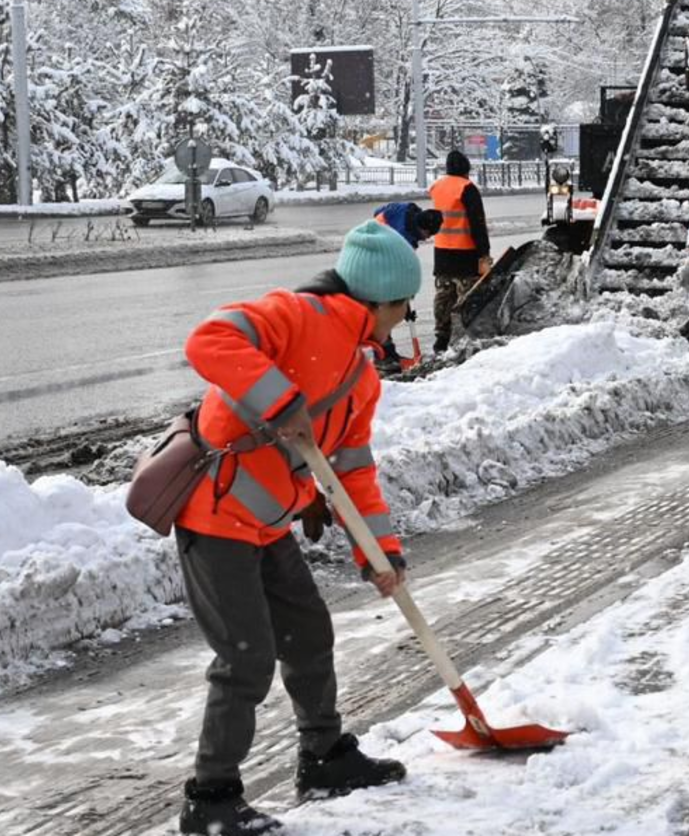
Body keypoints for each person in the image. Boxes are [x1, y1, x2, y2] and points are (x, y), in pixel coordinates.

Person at [175, 221, 418, 835]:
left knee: (308, 634)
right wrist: (280, 400)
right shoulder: (295, 316)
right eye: (404, 306)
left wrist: (380, 551)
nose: (405, 318)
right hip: (215, 512)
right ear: (380, 301)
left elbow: (353, 470)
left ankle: (324, 758)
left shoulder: (361, 377)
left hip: (266, 524)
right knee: (246, 657)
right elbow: (209, 340)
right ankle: (210, 799)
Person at [428, 150, 491, 353]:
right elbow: (477, 224)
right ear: (466, 169)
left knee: (444, 296)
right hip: (465, 254)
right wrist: (484, 253)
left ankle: (441, 338)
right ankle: (464, 339)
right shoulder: (467, 188)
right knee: (467, 298)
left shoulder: (436, 187)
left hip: (441, 253)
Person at [371, 200, 443, 249]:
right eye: (429, 234)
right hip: (378, 243)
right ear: (423, 229)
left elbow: (379, 211)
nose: (428, 237)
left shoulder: (407, 207)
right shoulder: (404, 240)